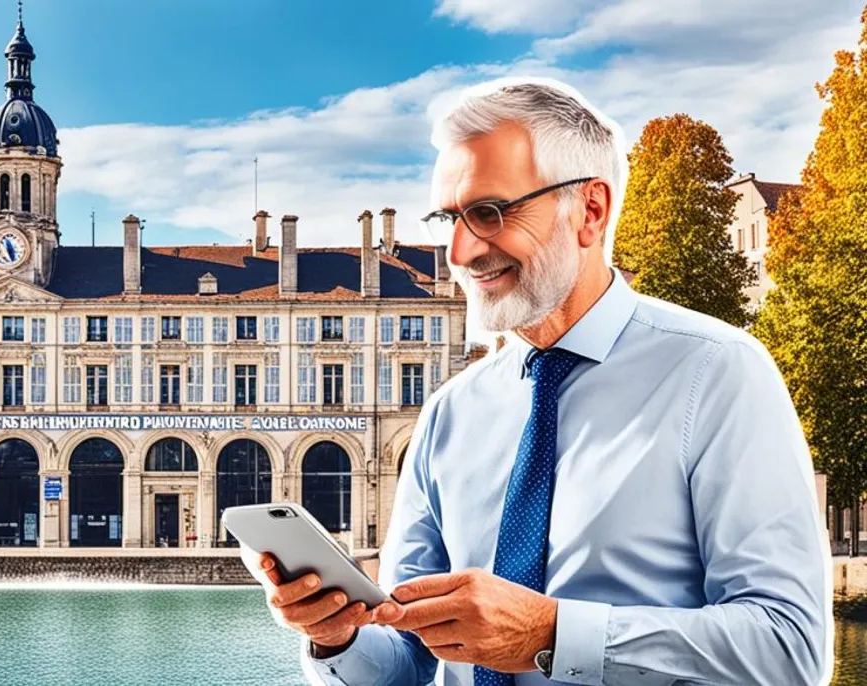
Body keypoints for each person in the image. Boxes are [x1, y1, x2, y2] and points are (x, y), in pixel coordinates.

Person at [243, 77, 832, 685]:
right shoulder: (450, 412)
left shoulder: (717, 372)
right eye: (449, 219)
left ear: (591, 211)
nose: (460, 252)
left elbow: (790, 652)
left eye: (488, 213)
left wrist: (551, 634)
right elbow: (404, 664)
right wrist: (336, 638)